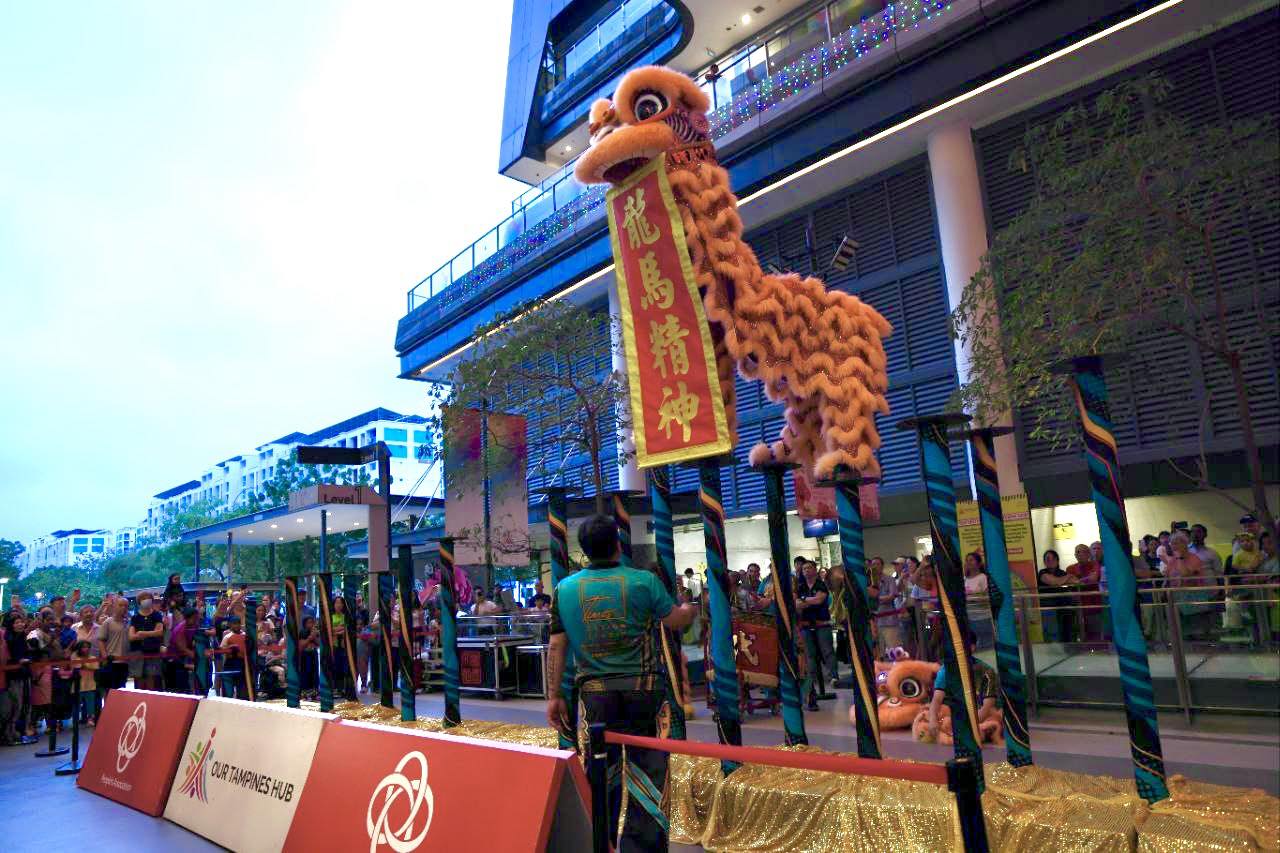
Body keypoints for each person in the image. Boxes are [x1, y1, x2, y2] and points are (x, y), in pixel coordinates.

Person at [545, 515, 695, 852]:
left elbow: (557, 645)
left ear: (584, 550)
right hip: (644, 691)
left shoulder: (565, 589)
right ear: (617, 544)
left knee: (601, 771)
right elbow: (675, 621)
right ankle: (641, 848)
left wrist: (553, 696)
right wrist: (691, 608)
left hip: (595, 697)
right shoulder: (643, 581)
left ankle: (602, 841)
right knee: (649, 772)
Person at [927, 642, 1001, 740]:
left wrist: (969, 726)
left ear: (972, 647)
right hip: (956, 715)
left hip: (981, 715)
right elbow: (936, 699)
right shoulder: (945, 671)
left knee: (992, 720)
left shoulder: (986, 671)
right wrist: (933, 720)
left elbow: (987, 706)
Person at [797, 560, 836, 709]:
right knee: (809, 655)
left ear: (815, 569)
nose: (806, 571)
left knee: (827, 651)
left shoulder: (821, 584)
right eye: (804, 568)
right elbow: (797, 604)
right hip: (806, 625)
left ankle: (834, 676)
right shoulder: (800, 586)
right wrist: (809, 601)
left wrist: (804, 601)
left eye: (809, 568)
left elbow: (820, 600)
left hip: (822, 624)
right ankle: (811, 682)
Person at [127, 592, 165, 690]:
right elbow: (131, 636)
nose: (147, 600)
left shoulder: (157, 615)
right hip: (137, 652)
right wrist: (151, 633)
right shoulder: (135, 617)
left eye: (148, 598)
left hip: (152, 652)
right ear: (139, 601)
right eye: (144, 598)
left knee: (151, 680)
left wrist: (142, 634)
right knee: (138, 680)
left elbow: (159, 632)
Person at [1065, 544, 1102, 642]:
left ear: (1088, 554)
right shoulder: (1070, 568)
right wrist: (1085, 580)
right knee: (1080, 635)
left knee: (1095, 636)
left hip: (1094, 607)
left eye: (1080, 552)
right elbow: (1070, 582)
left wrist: (1079, 580)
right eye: (1076, 552)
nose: (1077, 554)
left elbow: (1093, 578)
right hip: (1078, 608)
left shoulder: (1095, 564)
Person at [98, 598, 130, 696]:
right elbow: (101, 640)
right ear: (115, 606)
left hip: (124, 661)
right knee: (110, 690)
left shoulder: (129, 622)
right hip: (111, 661)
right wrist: (105, 656)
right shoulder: (108, 622)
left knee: (121, 690)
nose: (123, 608)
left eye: (126, 606)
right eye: (121, 605)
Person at [219, 616, 249, 699]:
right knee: (228, 690)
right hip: (230, 663)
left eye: (238, 623)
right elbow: (221, 650)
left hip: (242, 664)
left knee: (242, 689)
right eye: (234, 624)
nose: (236, 626)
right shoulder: (227, 637)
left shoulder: (245, 635)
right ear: (230, 625)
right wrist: (230, 647)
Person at [69, 640, 100, 725]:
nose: (86, 649)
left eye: (87, 647)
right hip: (78, 685)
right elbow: (73, 670)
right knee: (76, 704)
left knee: (90, 704)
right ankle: (75, 720)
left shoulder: (93, 658)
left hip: (90, 684)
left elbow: (95, 668)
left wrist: (84, 666)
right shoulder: (76, 659)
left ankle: (90, 719)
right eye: (83, 647)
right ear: (79, 649)